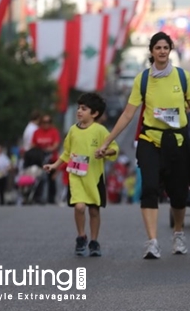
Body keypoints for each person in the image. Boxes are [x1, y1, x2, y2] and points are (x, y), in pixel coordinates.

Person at [96, 32, 190, 259]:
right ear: (151, 51)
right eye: (157, 47)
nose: (161, 51)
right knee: (149, 189)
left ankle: (178, 233)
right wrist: (107, 140)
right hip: (150, 140)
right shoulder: (142, 79)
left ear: (170, 50)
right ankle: (152, 241)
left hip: (177, 141)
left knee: (179, 194)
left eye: (165, 47)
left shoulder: (182, 77)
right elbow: (128, 114)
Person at [44, 93, 119, 257]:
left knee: (94, 211)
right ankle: (81, 236)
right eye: (79, 108)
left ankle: (94, 241)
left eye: (84, 109)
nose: (79, 111)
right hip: (76, 176)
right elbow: (66, 153)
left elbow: (114, 148)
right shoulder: (72, 130)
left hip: (94, 178)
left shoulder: (100, 130)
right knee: (79, 207)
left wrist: (105, 152)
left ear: (94, 113)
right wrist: (54, 166)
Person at [31, 114, 61, 204]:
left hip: (51, 159)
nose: (46, 124)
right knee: (39, 178)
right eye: (44, 122)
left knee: (51, 179)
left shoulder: (54, 131)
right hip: (40, 159)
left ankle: (51, 198)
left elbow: (56, 144)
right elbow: (33, 144)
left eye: (48, 122)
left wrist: (48, 149)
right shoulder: (37, 132)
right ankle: (37, 197)